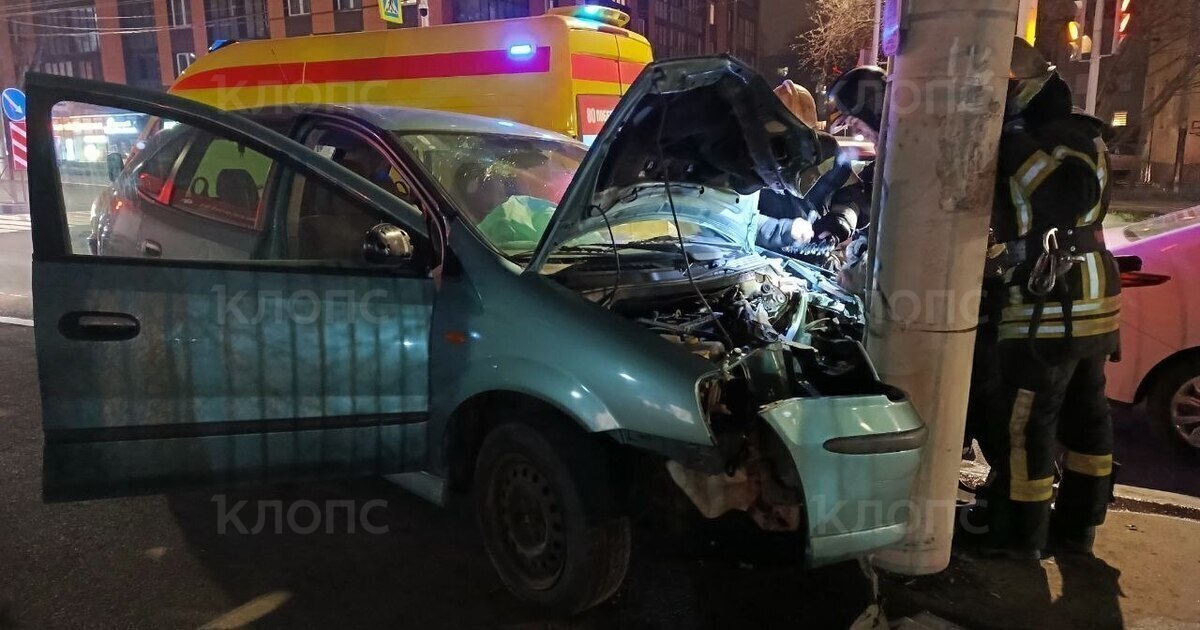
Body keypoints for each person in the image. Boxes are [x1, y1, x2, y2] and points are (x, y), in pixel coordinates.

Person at [982, 37, 1121, 559]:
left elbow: (1064, 199)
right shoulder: (1078, 130)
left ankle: (1020, 537)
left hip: (1051, 304)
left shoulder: (1046, 137)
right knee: (1087, 418)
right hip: (1090, 298)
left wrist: (1013, 143)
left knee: (1026, 425)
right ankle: (1079, 528)